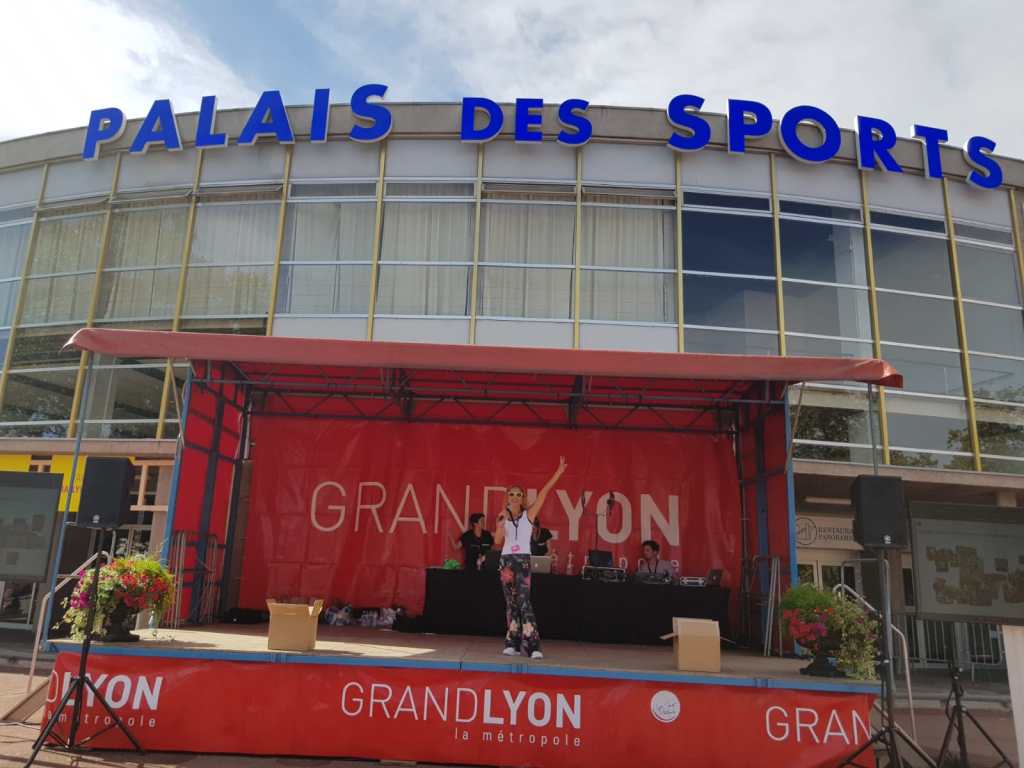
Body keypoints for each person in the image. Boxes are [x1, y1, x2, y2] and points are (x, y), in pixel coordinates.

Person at [493, 456, 567, 660]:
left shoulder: (529, 514)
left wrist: (558, 472)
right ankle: (512, 644)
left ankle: (533, 646)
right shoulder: (502, 515)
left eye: (519, 494)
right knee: (511, 603)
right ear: (507, 497)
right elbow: (497, 541)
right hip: (506, 560)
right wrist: (500, 525)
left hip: (522, 561)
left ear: (523, 498)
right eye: (512, 494)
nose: (515, 497)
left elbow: (544, 492)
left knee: (524, 602)